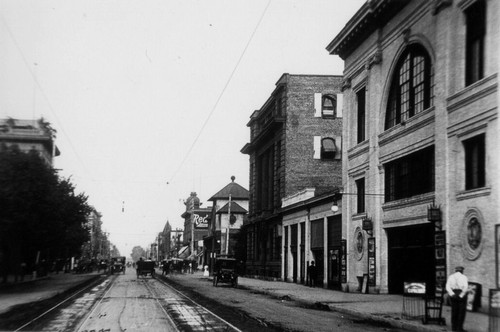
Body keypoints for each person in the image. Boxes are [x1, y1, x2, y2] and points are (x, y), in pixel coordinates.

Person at [446, 266, 468, 332]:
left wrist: (452, 294)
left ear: (455, 271)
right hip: (461, 293)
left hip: (453, 294)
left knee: (454, 311)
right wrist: (461, 295)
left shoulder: (451, 277)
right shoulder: (464, 277)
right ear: (462, 271)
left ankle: (454, 328)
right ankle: (459, 328)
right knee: (461, 312)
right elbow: (465, 287)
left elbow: (447, 287)